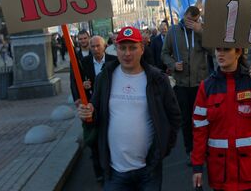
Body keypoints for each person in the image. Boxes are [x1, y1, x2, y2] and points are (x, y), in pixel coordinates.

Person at [77, 26, 181, 190]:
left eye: (132, 48)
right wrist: (88, 113)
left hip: (149, 170)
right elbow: (95, 113)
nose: (127, 53)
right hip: (115, 172)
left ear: (141, 48)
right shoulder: (104, 78)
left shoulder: (157, 79)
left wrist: (163, 148)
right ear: (115, 48)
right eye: (122, 48)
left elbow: (174, 116)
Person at [191, 47, 251, 191]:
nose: (220, 53)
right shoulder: (206, 87)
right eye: (217, 49)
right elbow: (199, 129)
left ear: (238, 52)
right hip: (222, 175)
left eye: (226, 49)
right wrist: (197, 166)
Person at [161, 6, 211, 165]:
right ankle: (191, 151)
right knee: (186, 120)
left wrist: (200, 30)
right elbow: (164, 53)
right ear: (184, 16)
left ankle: (204, 148)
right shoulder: (173, 31)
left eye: (195, 20)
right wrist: (174, 64)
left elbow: (212, 49)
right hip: (181, 84)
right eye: (190, 19)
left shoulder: (202, 29)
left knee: (202, 119)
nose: (192, 23)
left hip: (200, 82)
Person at [70, 35, 117, 183]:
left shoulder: (113, 61)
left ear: (104, 46)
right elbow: (75, 81)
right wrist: (81, 91)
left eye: (98, 46)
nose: (95, 49)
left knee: (111, 138)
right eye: (93, 47)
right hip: (91, 107)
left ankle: (113, 168)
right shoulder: (83, 63)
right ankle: (99, 172)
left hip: (110, 105)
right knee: (94, 141)